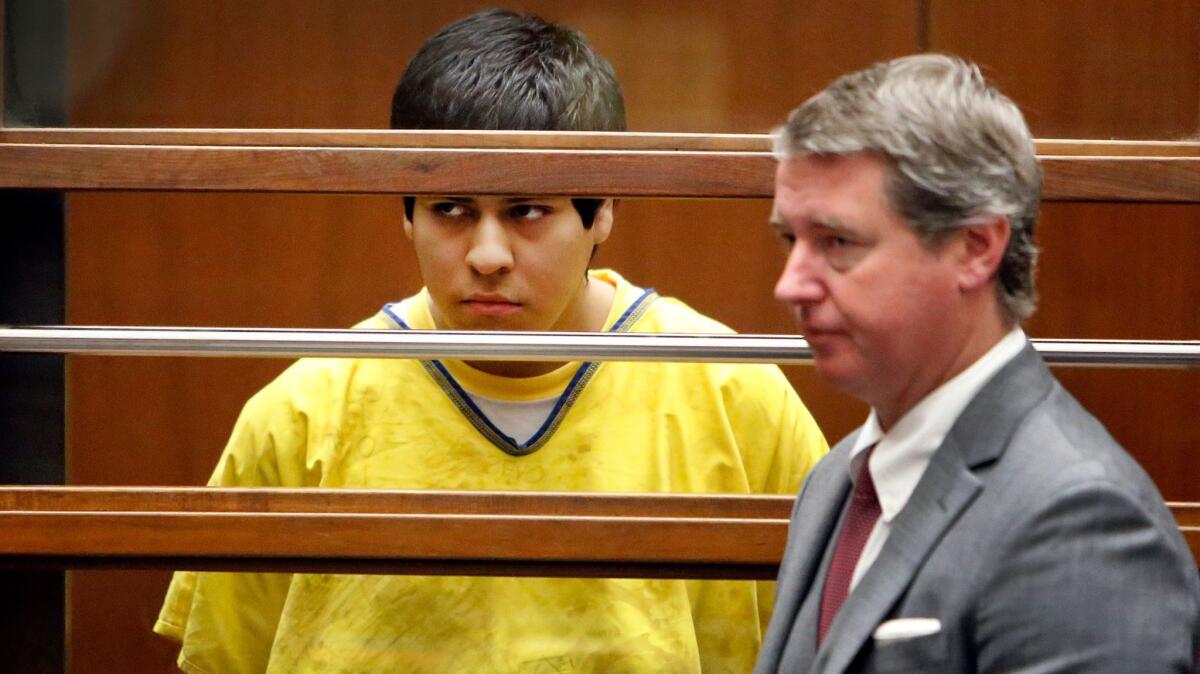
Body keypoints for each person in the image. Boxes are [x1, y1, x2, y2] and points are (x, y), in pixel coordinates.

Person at [153, 9, 827, 674]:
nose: (487, 254)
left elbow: (834, 640)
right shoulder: (305, 412)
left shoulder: (732, 391)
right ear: (406, 213)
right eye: (451, 209)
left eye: (527, 211)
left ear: (605, 210)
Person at [755, 54, 1200, 673]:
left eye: (838, 242)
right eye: (790, 240)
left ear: (975, 248)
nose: (791, 284)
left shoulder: (1079, 521)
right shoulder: (837, 480)